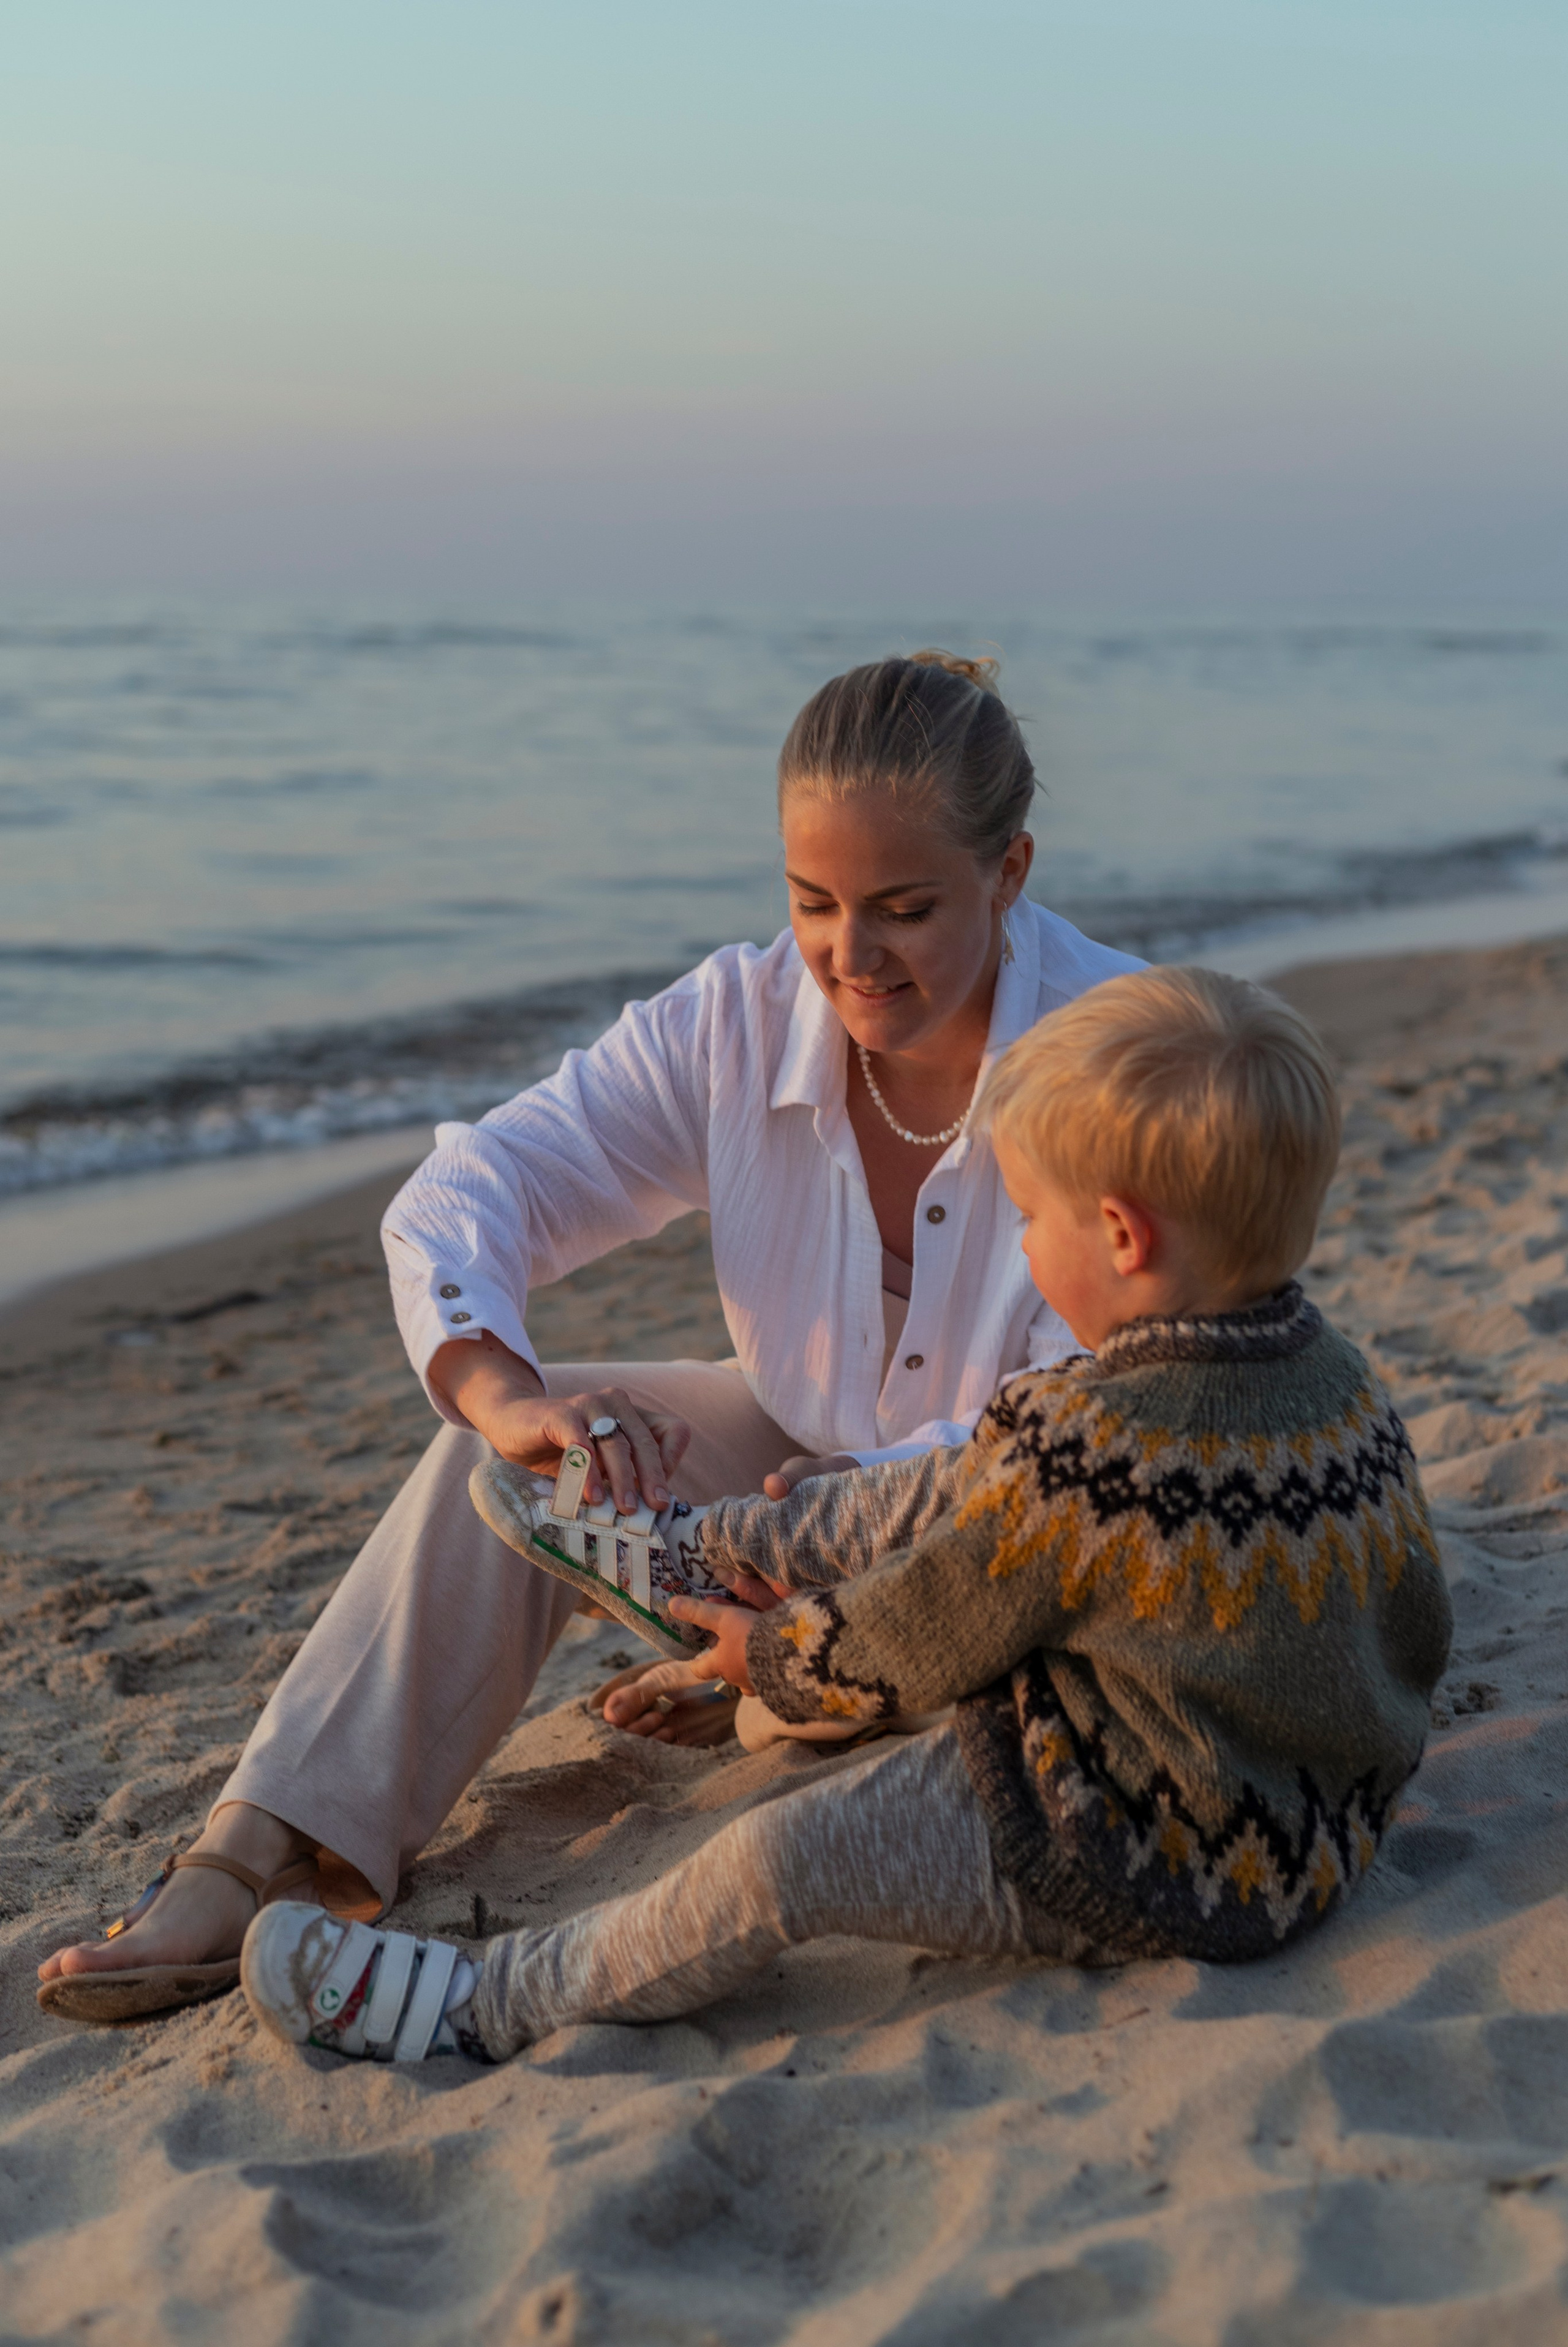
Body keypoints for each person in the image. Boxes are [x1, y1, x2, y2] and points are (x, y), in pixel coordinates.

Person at [39, 649, 1142, 2022]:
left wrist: (787, 1549)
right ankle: (256, 1848)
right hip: (790, 1457)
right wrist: (502, 1393)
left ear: (1009, 871)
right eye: (813, 902)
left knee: (948, 1653)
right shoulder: (737, 1021)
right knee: (498, 1459)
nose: (849, 958)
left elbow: (1101, 1417)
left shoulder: (1120, 1050)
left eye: (904, 910)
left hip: (1014, 1528)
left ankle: (773, 1680)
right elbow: (475, 1185)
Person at [239, 966, 1453, 2065]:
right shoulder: (1341, 1389)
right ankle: (695, 1547)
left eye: (1032, 1221)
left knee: (778, 1863)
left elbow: (926, 1626)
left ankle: (483, 2002)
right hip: (1322, 1825)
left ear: (1123, 1237)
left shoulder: (1088, 1451)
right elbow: (1416, 1622)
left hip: (1137, 1849)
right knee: (961, 1487)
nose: (1026, 1248)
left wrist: (768, 1657)